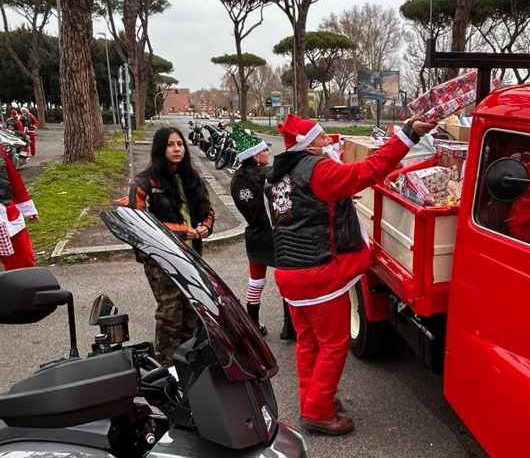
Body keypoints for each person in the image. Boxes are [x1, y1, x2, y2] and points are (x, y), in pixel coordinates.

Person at [266, 113, 432, 436]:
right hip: (318, 273)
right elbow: (370, 170)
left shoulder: (278, 175)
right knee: (333, 344)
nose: (327, 140)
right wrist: (407, 135)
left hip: (289, 273)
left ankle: (312, 399)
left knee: (308, 342)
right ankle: (318, 411)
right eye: (321, 137)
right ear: (309, 144)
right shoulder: (319, 170)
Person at [128, 126, 215, 366]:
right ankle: (165, 367)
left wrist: (206, 226)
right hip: (160, 258)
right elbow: (140, 223)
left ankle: (188, 362)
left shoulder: (192, 178)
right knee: (170, 313)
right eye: (170, 144)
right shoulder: (145, 182)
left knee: (193, 309)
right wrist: (183, 230)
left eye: (180, 144)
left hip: (192, 254)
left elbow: (207, 210)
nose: (177, 149)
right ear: (159, 149)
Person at [229, 128, 295, 340]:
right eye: (265, 150)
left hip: (255, 235)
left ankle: (254, 324)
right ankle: (289, 327)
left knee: (256, 281)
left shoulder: (236, 180)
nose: (268, 152)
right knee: (285, 280)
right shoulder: (269, 175)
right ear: (256, 156)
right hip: (276, 236)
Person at [0, 146, 38, 270]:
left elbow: (12, 176)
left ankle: (27, 287)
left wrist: (26, 207)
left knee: (23, 260)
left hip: (7, 213)